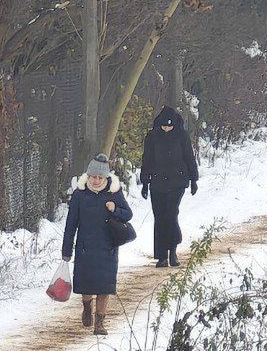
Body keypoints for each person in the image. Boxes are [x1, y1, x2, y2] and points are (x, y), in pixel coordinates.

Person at [61, 154, 133, 336]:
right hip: (85, 248)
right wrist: (66, 250)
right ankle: (87, 306)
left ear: (106, 178)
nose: (96, 180)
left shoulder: (114, 192)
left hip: (107, 248)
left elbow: (128, 215)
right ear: (88, 176)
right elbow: (71, 224)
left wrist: (114, 209)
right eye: (93, 177)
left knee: (104, 287)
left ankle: (100, 323)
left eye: (100, 177)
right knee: (87, 286)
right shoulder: (79, 194)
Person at [138, 107, 200, 269]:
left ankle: (172, 250)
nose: (166, 129)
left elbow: (189, 156)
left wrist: (194, 179)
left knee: (171, 214)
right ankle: (161, 256)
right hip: (157, 182)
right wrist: (145, 182)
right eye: (164, 126)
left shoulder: (182, 136)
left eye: (169, 126)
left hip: (177, 181)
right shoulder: (152, 137)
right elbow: (147, 159)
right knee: (159, 217)